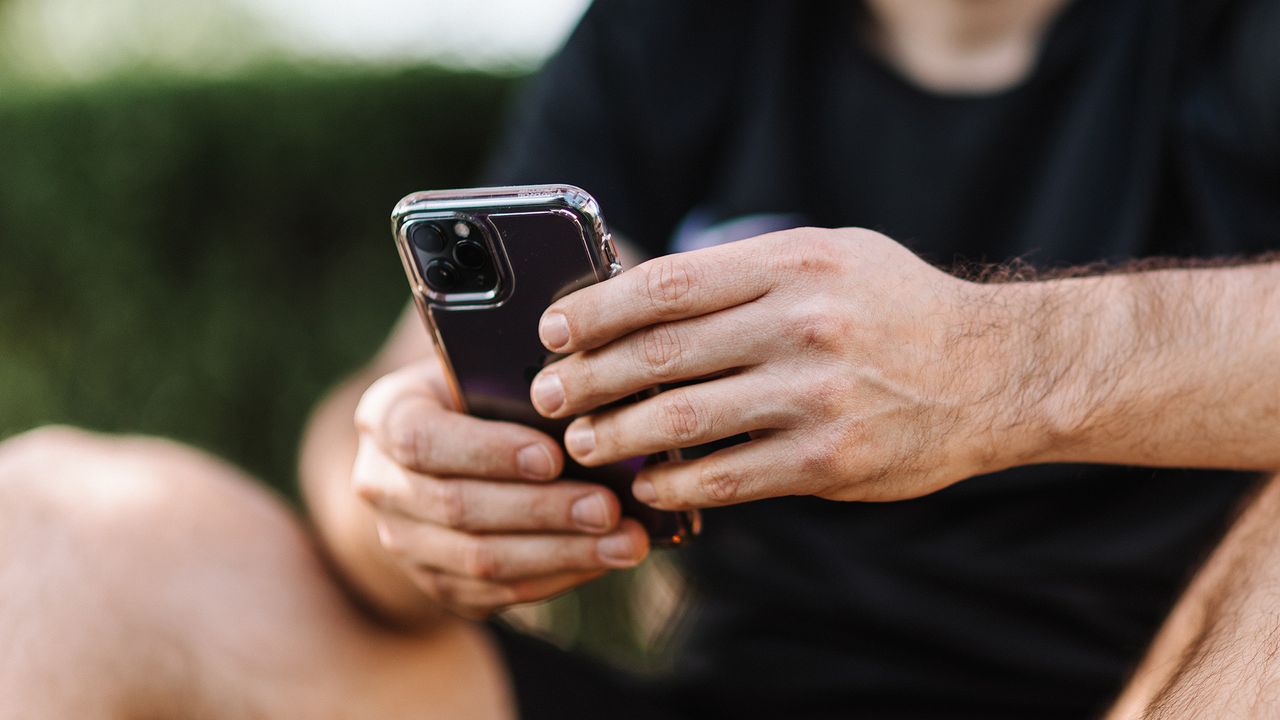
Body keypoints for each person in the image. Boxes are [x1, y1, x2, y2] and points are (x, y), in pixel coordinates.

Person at [2, 0, 1278, 717]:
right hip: (735, 695)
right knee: (56, 537)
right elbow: (380, 422)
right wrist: (408, 498)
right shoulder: (671, 36)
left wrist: (1009, 367)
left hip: (1173, 686)